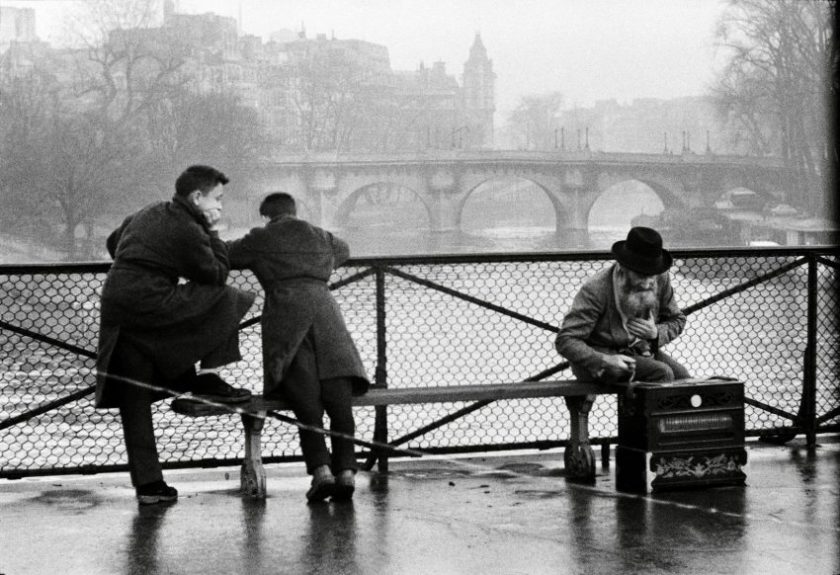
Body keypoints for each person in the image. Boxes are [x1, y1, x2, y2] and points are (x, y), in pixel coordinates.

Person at [96, 165, 256, 505]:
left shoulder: (149, 211)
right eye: (217, 199)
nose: (220, 206)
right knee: (230, 297)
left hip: (118, 301)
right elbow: (216, 274)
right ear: (197, 197)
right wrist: (213, 231)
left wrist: (147, 261)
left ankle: (150, 486)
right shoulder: (189, 227)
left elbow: (113, 242)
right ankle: (208, 377)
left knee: (134, 397)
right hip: (151, 303)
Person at [228, 192, 370, 503]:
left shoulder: (261, 238)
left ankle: (321, 471)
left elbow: (226, 255)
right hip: (326, 313)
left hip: (288, 316)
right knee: (339, 400)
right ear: (294, 210)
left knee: (306, 402)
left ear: (267, 215)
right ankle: (347, 472)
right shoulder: (321, 235)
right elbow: (344, 250)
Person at [555, 226, 690, 385]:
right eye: (641, 275)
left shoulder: (661, 277)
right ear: (624, 268)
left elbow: (677, 320)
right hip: (596, 359)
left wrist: (656, 333)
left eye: (651, 275)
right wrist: (604, 360)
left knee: (685, 380)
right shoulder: (596, 289)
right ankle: (634, 402)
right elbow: (566, 340)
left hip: (640, 351)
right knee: (662, 373)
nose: (647, 282)